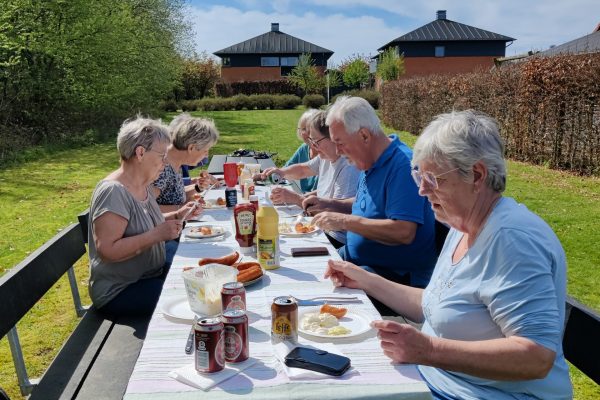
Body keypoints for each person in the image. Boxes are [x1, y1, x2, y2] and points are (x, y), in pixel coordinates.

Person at [324, 110, 572, 399]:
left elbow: (535, 356)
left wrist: (429, 350)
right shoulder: (462, 225)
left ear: (477, 175)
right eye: (419, 175)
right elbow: (434, 304)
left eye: (432, 177)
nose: (422, 190)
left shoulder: (512, 240)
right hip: (436, 381)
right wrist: (365, 279)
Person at [303, 96, 437, 287]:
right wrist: (330, 204)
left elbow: (404, 231)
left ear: (364, 135)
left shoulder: (402, 166)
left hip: (392, 277)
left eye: (340, 143)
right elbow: (366, 206)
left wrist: (343, 221)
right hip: (357, 262)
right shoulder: (370, 160)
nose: (338, 151)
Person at [88, 116, 200, 317]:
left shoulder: (143, 184)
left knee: (203, 276)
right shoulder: (114, 191)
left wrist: (178, 214)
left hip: (149, 275)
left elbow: (148, 224)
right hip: (121, 290)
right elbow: (107, 250)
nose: (165, 163)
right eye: (162, 156)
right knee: (196, 298)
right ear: (140, 153)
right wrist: (156, 236)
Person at [261, 110, 360, 247]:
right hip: (322, 229)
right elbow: (303, 169)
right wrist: (281, 172)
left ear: (333, 137)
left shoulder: (348, 167)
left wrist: (297, 199)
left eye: (316, 141)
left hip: (337, 239)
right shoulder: (326, 156)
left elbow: (334, 214)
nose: (313, 146)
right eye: (311, 141)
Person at [152, 113, 220, 213]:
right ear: (191, 148)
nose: (206, 155)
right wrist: (181, 209)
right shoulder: (162, 167)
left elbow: (172, 195)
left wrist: (197, 187)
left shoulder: (175, 161)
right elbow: (146, 210)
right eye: (205, 150)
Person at [283, 109, 320, 193]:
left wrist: (298, 198)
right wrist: (265, 176)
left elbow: (327, 191)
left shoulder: (328, 153)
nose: (308, 133)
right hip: (305, 199)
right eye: (303, 129)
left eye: (310, 129)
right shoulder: (304, 148)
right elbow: (286, 170)